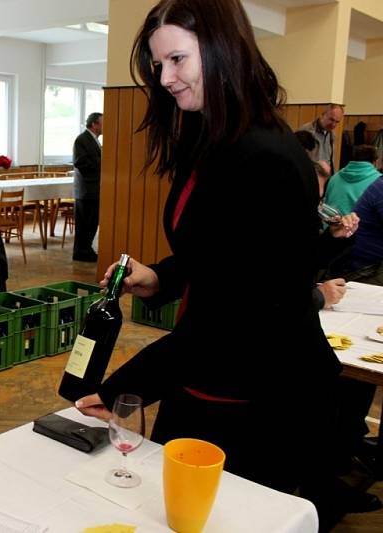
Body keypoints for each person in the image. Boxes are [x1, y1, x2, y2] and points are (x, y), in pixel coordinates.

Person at [71, 0, 374, 527]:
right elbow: (216, 255)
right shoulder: (210, 137)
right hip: (207, 371)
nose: (165, 78)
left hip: (259, 393)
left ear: (223, 50)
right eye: (157, 64)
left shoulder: (268, 158)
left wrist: (129, 384)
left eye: (177, 60)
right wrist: (161, 276)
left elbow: (245, 312)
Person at [72, 112, 103, 262]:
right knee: (85, 223)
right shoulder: (82, 139)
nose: (104, 126)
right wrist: (102, 162)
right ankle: (81, 252)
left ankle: (86, 249)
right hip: (86, 189)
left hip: (94, 189)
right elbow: (80, 162)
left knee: (91, 222)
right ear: (94, 124)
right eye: (102, 122)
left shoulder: (94, 140)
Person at [323, 144, 381, 216]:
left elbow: (326, 206)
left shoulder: (335, 177)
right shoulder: (379, 182)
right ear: (375, 161)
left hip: (332, 225)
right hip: (358, 226)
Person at [298, 104, 345, 176]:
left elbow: (330, 161)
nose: (334, 125)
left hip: (326, 179)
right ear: (322, 115)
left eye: (337, 122)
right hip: (311, 177)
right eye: (331, 119)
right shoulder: (306, 131)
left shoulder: (332, 134)